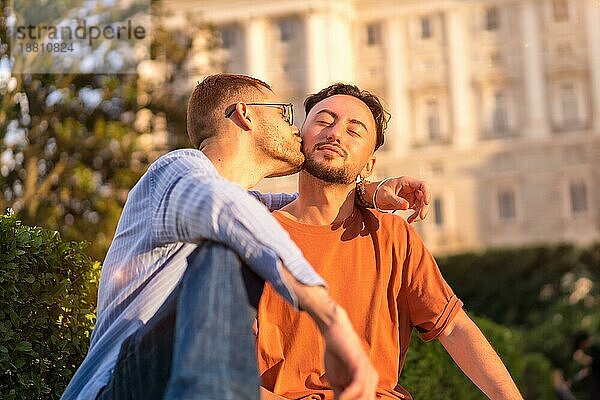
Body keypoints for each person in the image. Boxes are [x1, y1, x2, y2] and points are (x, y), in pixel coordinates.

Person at [61, 74, 430, 400]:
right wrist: (330, 318)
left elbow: (302, 207)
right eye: (284, 114)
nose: (296, 130)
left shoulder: (245, 205)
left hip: (174, 380)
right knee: (221, 257)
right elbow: (227, 211)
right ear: (246, 114)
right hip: (117, 386)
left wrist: (368, 191)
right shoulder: (176, 171)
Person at [256, 83, 524, 400]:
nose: (335, 133)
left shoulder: (394, 236)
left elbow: (454, 328)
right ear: (300, 137)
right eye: (325, 120)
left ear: (369, 165)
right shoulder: (253, 237)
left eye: (354, 130)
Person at [573, 331, 600, 400]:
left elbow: (594, 362)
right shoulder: (590, 349)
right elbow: (592, 367)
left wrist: (583, 358)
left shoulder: (594, 347)